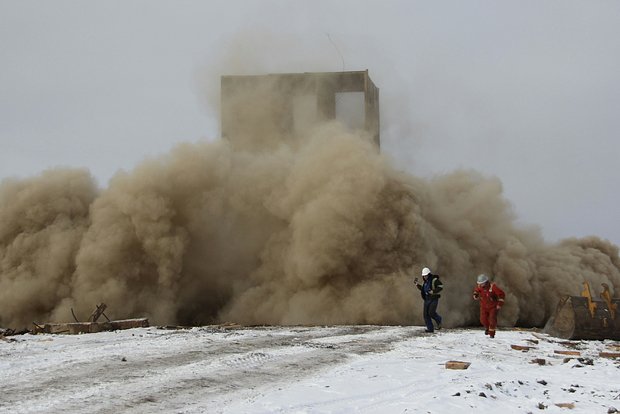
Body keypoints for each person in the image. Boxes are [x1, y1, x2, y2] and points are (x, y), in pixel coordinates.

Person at [472, 274, 505, 338]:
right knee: (483, 320)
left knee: (492, 320)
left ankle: (492, 334)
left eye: (481, 283)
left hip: (493, 307)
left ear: (486, 282)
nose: (480, 285)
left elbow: (502, 294)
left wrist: (499, 304)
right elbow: (476, 290)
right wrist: (475, 295)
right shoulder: (479, 287)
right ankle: (487, 328)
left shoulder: (493, 287)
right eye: (479, 283)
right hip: (483, 307)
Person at [414, 267, 443, 333]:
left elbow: (441, 286)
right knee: (426, 315)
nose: (425, 277)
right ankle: (430, 329)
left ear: (429, 274)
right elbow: (423, 289)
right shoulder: (425, 282)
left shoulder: (434, 280)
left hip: (433, 299)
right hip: (427, 299)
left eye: (426, 276)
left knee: (431, 313)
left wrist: (433, 291)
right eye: (423, 276)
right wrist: (417, 284)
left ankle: (439, 320)